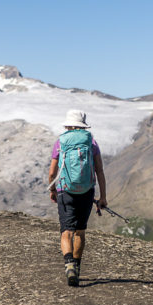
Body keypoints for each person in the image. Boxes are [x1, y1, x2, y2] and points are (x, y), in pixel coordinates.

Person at [47, 109, 107, 287]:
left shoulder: (60, 142)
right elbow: (99, 170)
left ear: (67, 125)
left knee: (66, 232)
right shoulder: (92, 142)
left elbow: (52, 172)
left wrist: (53, 190)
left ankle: (69, 265)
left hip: (65, 190)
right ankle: (77, 268)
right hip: (86, 191)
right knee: (80, 231)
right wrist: (102, 197)